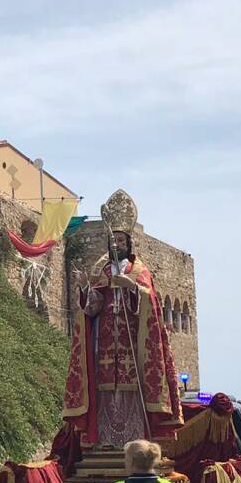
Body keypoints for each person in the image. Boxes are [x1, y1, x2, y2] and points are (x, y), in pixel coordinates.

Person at [64, 191, 184, 448]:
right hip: (105, 345)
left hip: (133, 347)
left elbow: (150, 304)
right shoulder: (101, 269)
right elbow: (92, 308)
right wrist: (86, 289)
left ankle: (136, 444)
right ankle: (105, 443)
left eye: (120, 239)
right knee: (106, 392)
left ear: (129, 243)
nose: (116, 244)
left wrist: (131, 287)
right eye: (113, 239)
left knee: (132, 392)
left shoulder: (140, 270)